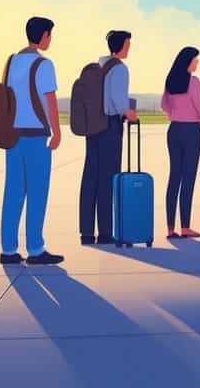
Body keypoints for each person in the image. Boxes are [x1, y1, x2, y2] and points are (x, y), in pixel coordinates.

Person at [0, 16, 65, 266]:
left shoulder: (12, 62)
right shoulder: (43, 64)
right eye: (50, 35)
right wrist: (56, 132)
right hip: (36, 136)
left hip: (13, 136)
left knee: (13, 191)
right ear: (44, 35)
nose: (50, 39)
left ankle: (8, 249)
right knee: (37, 192)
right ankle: (35, 248)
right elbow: (50, 101)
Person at [79, 30, 137, 246]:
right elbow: (118, 100)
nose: (129, 48)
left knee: (90, 177)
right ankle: (105, 232)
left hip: (92, 126)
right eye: (128, 45)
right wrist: (129, 113)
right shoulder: (119, 69)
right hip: (110, 126)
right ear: (121, 46)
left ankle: (86, 232)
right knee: (108, 178)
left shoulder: (99, 65)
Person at [161, 47, 200, 239]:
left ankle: (170, 228)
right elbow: (199, 106)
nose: (197, 63)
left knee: (174, 177)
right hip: (191, 131)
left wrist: (175, 114)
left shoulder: (170, 80)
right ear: (188, 61)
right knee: (188, 178)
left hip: (174, 130)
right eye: (195, 60)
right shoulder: (194, 81)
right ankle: (185, 226)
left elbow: (164, 105)